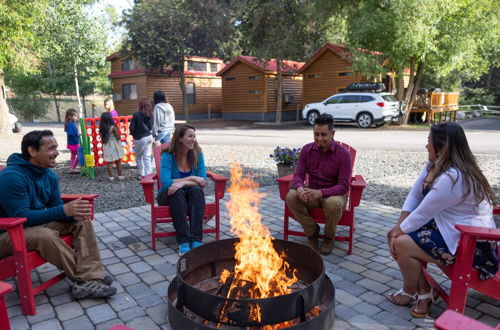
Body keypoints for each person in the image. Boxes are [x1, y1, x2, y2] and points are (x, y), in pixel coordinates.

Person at [387, 122, 498, 318]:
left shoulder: (454, 176)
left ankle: (412, 291)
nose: (426, 146)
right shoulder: (434, 166)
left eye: (429, 141)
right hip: (452, 231)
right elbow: (414, 197)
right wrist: (398, 225)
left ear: (442, 146)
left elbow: (423, 213)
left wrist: (397, 232)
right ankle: (425, 292)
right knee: (401, 237)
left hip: (473, 244)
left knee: (402, 243)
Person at [0, 130, 116, 299]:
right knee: (45, 236)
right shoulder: (12, 177)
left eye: (56, 148)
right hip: (7, 232)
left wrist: (72, 214)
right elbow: (21, 217)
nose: (56, 152)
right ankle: (87, 278)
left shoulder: (48, 175)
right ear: (32, 151)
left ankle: (88, 279)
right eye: (51, 148)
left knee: (81, 221)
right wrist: (63, 210)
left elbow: (55, 207)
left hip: (28, 227)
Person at [286, 113, 352, 255]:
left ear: (332, 133)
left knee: (333, 204)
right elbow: (298, 175)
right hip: (312, 192)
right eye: (316, 134)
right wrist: (299, 188)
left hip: (334, 194)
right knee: (291, 196)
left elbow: (344, 186)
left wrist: (322, 193)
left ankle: (329, 237)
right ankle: (312, 232)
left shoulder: (343, 155)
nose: (319, 139)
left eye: (323, 135)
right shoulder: (307, 150)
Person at [156, 125, 207, 256]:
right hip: (168, 195)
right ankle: (183, 240)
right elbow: (166, 182)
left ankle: (196, 239)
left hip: (190, 194)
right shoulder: (168, 156)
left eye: (194, 136)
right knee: (176, 192)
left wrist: (183, 182)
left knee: (196, 191)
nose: (193, 139)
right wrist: (191, 178)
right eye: (190, 136)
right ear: (180, 138)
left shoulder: (197, 154)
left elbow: (202, 181)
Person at [130, 98, 154, 179]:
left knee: (139, 156)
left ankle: (142, 174)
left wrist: (133, 134)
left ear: (141, 105)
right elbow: (151, 126)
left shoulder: (136, 114)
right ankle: (149, 174)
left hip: (139, 138)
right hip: (149, 137)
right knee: (147, 156)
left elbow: (132, 127)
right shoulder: (151, 114)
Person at [99, 112, 125, 181]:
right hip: (114, 146)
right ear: (110, 119)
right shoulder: (113, 127)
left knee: (109, 162)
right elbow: (117, 137)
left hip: (107, 147)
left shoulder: (101, 129)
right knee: (118, 161)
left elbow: (102, 138)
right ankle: (120, 176)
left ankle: (111, 177)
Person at [64, 108, 80, 174]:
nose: (76, 117)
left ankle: (72, 167)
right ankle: (73, 168)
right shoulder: (69, 124)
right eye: (75, 116)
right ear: (70, 116)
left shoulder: (72, 124)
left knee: (73, 156)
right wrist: (77, 134)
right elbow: (70, 133)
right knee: (80, 155)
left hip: (72, 143)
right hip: (73, 144)